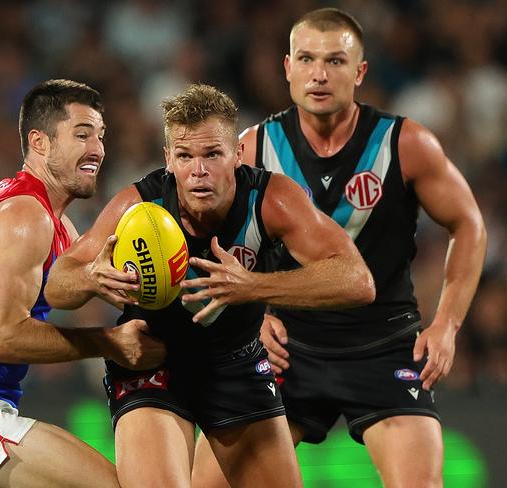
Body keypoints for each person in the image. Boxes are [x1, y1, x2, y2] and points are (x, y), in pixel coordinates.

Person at [192, 8, 487, 488]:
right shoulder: (252, 149)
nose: (319, 74)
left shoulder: (405, 143)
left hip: (384, 345)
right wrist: (252, 317)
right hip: (286, 346)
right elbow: (216, 246)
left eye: (335, 61)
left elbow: (469, 224)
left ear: (360, 72)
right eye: (306, 59)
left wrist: (447, 324)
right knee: (208, 482)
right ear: (287, 67)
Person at [44, 83, 375, 488]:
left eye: (212, 154)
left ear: (237, 154)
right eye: (184, 156)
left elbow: (357, 280)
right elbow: (57, 284)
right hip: (154, 362)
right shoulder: (138, 206)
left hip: (235, 364)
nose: (198, 171)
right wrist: (91, 278)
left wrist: (252, 286)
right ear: (168, 159)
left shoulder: (271, 199)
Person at [0, 79, 166, 488]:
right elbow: (1, 339)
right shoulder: (26, 217)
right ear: (39, 142)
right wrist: (109, 343)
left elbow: (79, 288)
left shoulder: (53, 221)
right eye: (81, 134)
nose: (97, 149)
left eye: (100, 135)